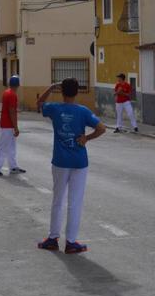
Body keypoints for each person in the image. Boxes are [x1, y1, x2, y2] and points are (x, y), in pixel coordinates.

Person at [36, 78, 106, 254]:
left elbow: (40, 103)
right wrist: (86, 138)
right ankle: (71, 242)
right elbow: (102, 128)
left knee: (57, 200)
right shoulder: (83, 111)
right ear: (77, 92)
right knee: (75, 203)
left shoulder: (54, 109)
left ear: (62, 92)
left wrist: (51, 87)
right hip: (79, 162)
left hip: (60, 161)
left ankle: (52, 238)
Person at [0, 75, 26, 176]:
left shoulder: (6, 92)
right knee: (3, 146)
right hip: (8, 125)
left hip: (6, 123)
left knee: (11, 146)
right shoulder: (12, 95)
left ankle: (13, 166)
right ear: (18, 84)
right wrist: (16, 127)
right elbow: (12, 111)